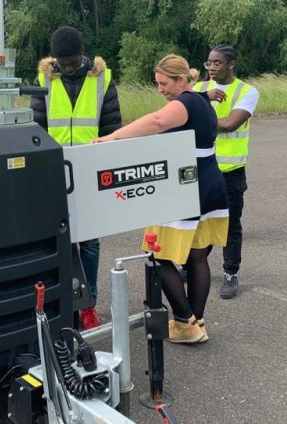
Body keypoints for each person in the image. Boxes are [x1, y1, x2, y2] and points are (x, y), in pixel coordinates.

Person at [94, 54, 229, 343]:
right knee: (196, 255)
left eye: (164, 83)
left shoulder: (186, 103)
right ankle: (196, 321)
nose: (160, 90)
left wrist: (113, 138)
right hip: (210, 184)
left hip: (185, 186)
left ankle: (183, 323)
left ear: (181, 80)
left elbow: (156, 122)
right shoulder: (203, 101)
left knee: (158, 255)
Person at [31, 26, 122, 329]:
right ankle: (65, 299)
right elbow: (38, 127)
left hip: (90, 168)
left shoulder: (102, 79)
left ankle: (89, 304)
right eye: (63, 62)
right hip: (54, 168)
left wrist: (107, 164)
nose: (68, 67)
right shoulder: (44, 79)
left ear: (83, 52)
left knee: (90, 241)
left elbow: (111, 125)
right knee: (60, 239)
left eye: (73, 61)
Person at [194, 44, 259, 299]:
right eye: (208, 62)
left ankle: (230, 273)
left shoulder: (247, 91)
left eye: (217, 63)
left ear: (231, 64)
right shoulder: (199, 89)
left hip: (230, 170)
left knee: (230, 224)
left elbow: (231, 124)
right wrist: (202, 100)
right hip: (199, 166)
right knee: (198, 221)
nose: (211, 67)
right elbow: (177, 111)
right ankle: (193, 266)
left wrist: (196, 114)